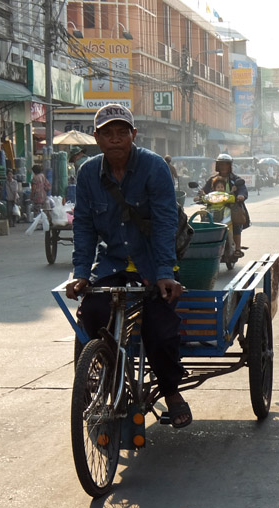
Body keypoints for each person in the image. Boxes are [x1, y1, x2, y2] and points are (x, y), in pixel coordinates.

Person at [64, 103, 191, 429]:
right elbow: (84, 227)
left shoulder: (153, 168)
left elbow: (164, 222)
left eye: (122, 133)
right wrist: (80, 273)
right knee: (90, 315)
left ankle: (172, 393)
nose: (116, 139)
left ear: (133, 135)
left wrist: (165, 273)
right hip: (112, 265)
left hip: (152, 265)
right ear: (97, 138)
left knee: (160, 330)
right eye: (108, 134)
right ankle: (95, 378)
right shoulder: (89, 173)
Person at [202, 153, 249, 259]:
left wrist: (241, 195)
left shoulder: (236, 179)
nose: (223, 167)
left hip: (231, 208)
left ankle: (237, 249)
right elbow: (205, 191)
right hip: (213, 208)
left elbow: (242, 189)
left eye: (226, 164)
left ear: (230, 166)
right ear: (217, 166)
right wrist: (199, 196)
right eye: (221, 165)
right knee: (204, 223)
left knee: (236, 224)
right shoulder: (212, 180)